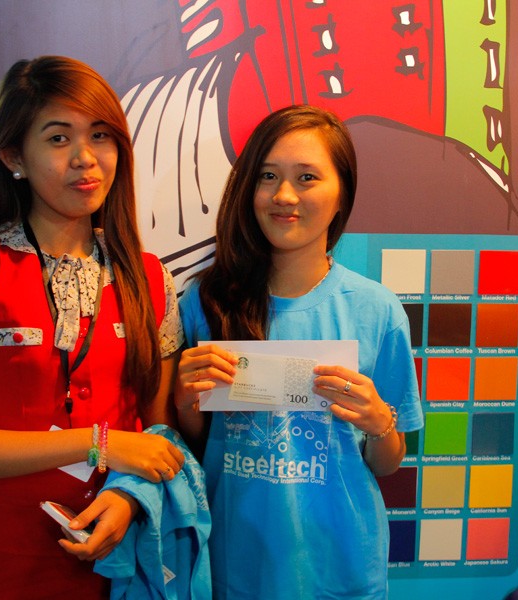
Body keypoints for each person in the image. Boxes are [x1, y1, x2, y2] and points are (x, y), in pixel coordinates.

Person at [0, 55, 186, 599]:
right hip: (8, 556)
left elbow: (160, 432)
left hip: (123, 553)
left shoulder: (150, 278)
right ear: (14, 156)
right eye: (59, 139)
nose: (86, 158)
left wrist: (129, 497)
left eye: (100, 135)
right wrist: (98, 444)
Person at [174, 105, 424, 599]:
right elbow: (193, 447)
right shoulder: (203, 302)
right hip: (234, 567)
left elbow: (388, 463)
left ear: (341, 194)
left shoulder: (376, 310)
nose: (284, 195)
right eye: (268, 176)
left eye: (307, 177)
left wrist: (380, 422)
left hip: (341, 571)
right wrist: (184, 402)